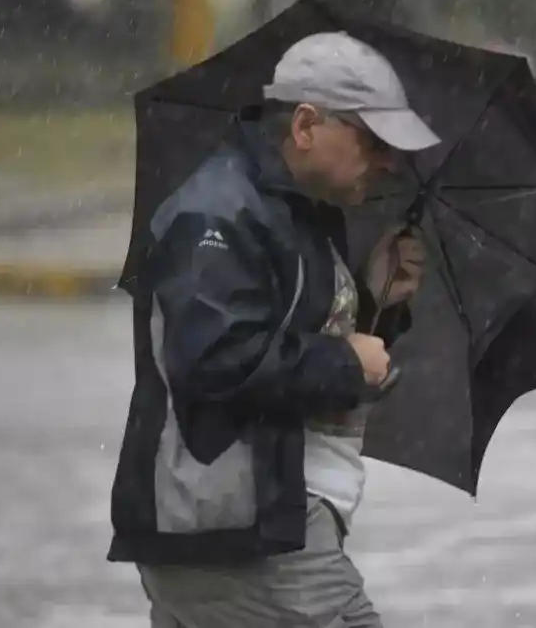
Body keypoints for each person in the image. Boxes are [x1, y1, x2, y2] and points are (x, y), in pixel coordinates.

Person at [107, 31, 441, 628]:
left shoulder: (298, 212)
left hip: (262, 523)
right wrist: (346, 363)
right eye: (373, 140)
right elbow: (213, 361)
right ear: (307, 126)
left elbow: (289, 338)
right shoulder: (217, 215)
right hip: (238, 535)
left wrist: (375, 298)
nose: (390, 162)